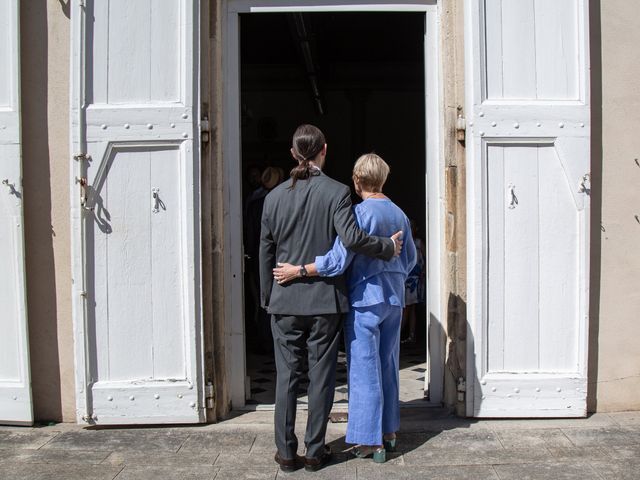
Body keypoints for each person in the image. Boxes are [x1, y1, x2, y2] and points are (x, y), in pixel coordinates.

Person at [259, 125, 403, 472]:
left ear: (294, 153)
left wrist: (268, 296)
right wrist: (387, 247)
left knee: (287, 377)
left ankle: (286, 453)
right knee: (322, 377)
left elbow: (265, 250)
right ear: (324, 150)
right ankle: (314, 451)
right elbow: (352, 239)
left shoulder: (273, 197)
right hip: (325, 302)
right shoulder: (337, 192)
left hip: (284, 299)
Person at [401, 219, 426, 344]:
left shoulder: (418, 242)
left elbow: (426, 258)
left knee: (410, 307)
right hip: (405, 278)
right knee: (407, 307)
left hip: (415, 279)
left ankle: (406, 334)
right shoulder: (404, 243)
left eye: (412, 227)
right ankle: (409, 334)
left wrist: (424, 272)